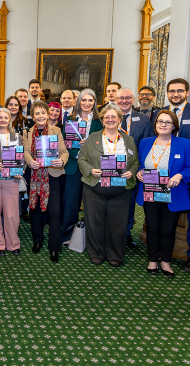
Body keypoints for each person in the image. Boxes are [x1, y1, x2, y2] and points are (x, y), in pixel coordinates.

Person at [153, 78, 190, 273]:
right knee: (159, 213)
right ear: (167, 93)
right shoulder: (158, 112)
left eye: (180, 91)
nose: (175, 94)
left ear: (187, 92)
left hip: (188, 171)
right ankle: (158, 252)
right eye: (172, 91)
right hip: (160, 173)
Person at [135, 110, 190, 278]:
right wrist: (139, 173)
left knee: (168, 230)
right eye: (160, 121)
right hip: (150, 193)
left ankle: (166, 262)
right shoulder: (145, 143)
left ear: (174, 125)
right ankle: (153, 260)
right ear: (155, 124)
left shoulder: (185, 144)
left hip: (172, 194)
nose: (163, 125)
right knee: (153, 229)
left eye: (168, 122)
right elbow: (140, 164)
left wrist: (180, 175)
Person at [77, 103, 139, 267]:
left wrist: (131, 172)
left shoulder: (128, 140)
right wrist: (91, 170)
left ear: (120, 119)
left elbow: (135, 163)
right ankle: (96, 253)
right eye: (107, 117)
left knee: (118, 224)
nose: (110, 120)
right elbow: (81, 159)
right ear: (102, 119)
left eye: (114, 117)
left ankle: (115, 254)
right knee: (94, 222)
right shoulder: (92, 138)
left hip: (121, 189)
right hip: (95, 187)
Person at [25, 100, 69, 261]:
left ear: (47, 114)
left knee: (55, 211)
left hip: (53, 174)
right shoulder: (27, 132)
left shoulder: (56, 130)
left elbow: (64, 151)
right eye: (37, 113)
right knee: (34, 208)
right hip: (35, 175)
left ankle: (54, 247)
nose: (41, 116)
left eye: (43, 112)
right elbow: (25, 152)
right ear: (33, 116)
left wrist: (62, 161)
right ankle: (37, 240)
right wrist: (30, 161)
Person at [61, 89, 103, 245]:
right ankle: (66, 236)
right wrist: (78, 155)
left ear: (94, 103)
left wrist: (90, 146)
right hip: (73, 166)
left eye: (90, 100)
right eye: (83, 100)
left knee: (92, 204)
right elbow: (64, 144)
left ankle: (91, 239)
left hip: (93, 168)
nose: (87, 103)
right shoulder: (70, 121)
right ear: (78, 102)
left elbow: (103, 145)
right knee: (70, 203)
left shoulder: (100, 122)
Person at [116, 87, 154, 246]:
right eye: (121, 98)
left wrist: (138, 168)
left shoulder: (143, 119)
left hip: (133, 168)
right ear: (116, 100)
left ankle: (126, 232)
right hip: (110, 167)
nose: (124, 101)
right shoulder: (109, 117)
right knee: (111, 200)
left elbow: (146, 146)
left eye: (127, 98)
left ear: (133, 100)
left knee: (129, 202)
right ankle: (110, 231)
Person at [0, 108, 26, 255]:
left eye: (6, 117)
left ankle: (13, 244)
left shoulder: (17, 137)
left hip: (11, 180)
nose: (3, 120)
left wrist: (19, 171)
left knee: (12, 214)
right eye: (0, 117)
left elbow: (22, 158)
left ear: (10, 120)